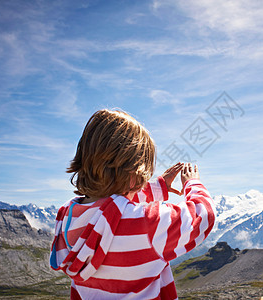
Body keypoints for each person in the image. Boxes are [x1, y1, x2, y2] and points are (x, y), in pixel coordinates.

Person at [50, 109, 216, 299]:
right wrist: (192, 183)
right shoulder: (148, 225)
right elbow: (204, 216)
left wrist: (158, 187)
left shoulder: (67, 216)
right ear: (134, 174)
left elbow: (111, 209)